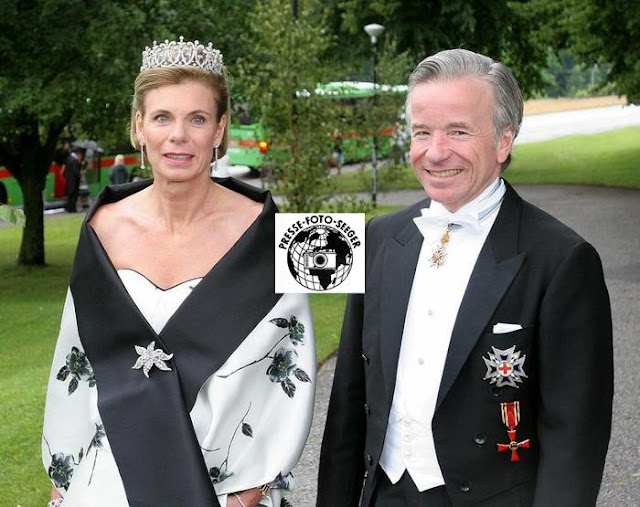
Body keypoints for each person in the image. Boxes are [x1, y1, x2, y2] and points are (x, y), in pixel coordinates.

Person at [318, 49, 613, 506]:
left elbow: (574, 436)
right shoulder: (379, 238)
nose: (436, 152)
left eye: (458, 131)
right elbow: (348, 402)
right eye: (422, 132)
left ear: (503, 140)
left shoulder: (563, 260)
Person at [42, 37, 316, 507]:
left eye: (198, 119)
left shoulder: (278, 234)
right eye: (162, 117)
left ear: (220, 129)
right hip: (107, 482)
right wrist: (64, 484)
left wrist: (247, 494)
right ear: (138, 127)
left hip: (220, 489)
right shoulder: (101, 227)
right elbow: (76, 361)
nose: (179, 135)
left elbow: (294, 369)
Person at [61, 147, 85, 212]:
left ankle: (69, 208)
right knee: (74, 194)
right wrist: (79, 176)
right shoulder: (74, 160)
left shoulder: (68, 159)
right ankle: (72, 208)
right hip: (74, 180)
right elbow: (76, 171)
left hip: (69, 179)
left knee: (70, 194)